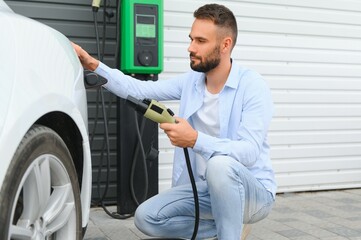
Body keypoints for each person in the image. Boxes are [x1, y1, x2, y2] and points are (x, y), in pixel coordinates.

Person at [73, 3, 276, 240]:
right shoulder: (192, 82)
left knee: (219, 165)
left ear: (225, 45)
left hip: (253, 193)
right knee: (146, 217)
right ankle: (224, 226)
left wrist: (195, 139)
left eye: (200, 41)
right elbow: (139, 88)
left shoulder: (252, 86)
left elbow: (249, 151)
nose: (190, 47)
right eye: (191, 39)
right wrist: (93, 64)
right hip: (205, 190)